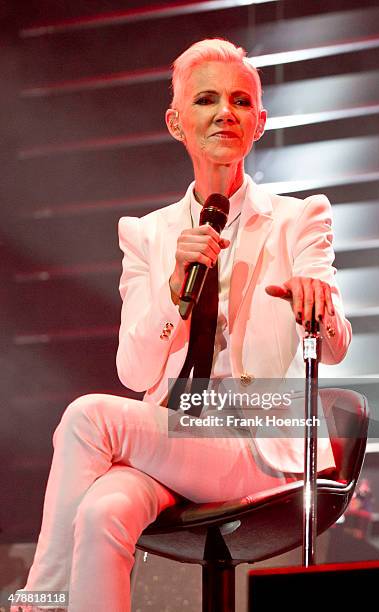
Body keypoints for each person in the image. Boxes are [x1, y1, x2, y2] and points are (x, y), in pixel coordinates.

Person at [12, 38, 351, 612]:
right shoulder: (145, 234)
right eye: (207, 100)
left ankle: (39, 603)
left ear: (259, 122)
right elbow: (135, 369)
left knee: (87, 416)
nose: (225, 112)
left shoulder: (300, 218)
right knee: (101, 512)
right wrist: (174, 294)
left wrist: (315, 303)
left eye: (241, 101)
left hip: (259, 445)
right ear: (177, 123)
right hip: (177, 441)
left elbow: (336, 345)